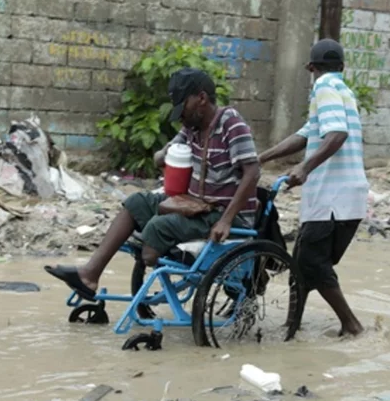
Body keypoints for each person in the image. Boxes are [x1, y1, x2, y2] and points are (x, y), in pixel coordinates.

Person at [45, 67, 260, 300]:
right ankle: (90, 274)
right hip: (196, 205)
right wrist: (165, 154)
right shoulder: (192, 128)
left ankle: (158, 257)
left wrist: (227, 220)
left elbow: (253, 172)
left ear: (201, 98)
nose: (180, 116)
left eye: (183, 107)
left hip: (223, 213)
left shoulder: (231, 123)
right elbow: (161, 156)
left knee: (157, 229)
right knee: (136, 202)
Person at [259, 38, 368, 337]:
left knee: (311, 263)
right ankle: (292, 326)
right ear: (342, 67)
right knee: (303, 266)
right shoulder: (344, 92)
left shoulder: (323, 88)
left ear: (311, 68)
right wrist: (262, 158)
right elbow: (306, 135)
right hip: (350, 199)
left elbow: (337, 134)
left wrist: (305, 168)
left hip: (331, 199)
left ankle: (351, 325)